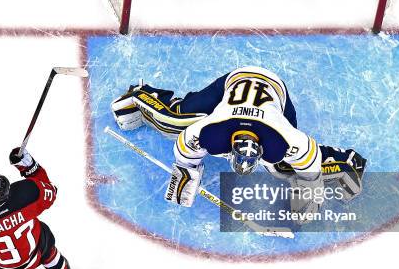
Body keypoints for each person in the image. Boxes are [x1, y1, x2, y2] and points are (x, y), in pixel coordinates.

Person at [111, 66, 366, 216]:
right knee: (174, 122)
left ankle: (344, 160)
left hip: (277, 93)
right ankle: (142, 95)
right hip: (232, 83)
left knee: (282, 167)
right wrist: (187, 170)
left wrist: (309, 184)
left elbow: (307, 151)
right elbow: (185, 141)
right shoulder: (213, 130)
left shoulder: (279, 139)